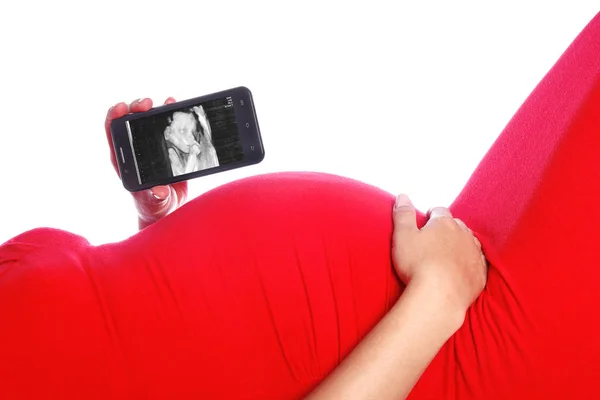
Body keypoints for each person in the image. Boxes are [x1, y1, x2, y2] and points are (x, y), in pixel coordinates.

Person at [1, 10, 600, 400]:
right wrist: (438, 295)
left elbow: (129, 356)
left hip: (459, 259)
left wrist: (156, 224)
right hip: (467, 353)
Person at [163, 104, 220, 177]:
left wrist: (202, 117)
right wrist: (192, 155)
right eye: (182, 130)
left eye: (193, 131)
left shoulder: (187, 148)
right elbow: (182, 178)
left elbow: (207, 139)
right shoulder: (171, 153)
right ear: (168, 133)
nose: (192, 137)